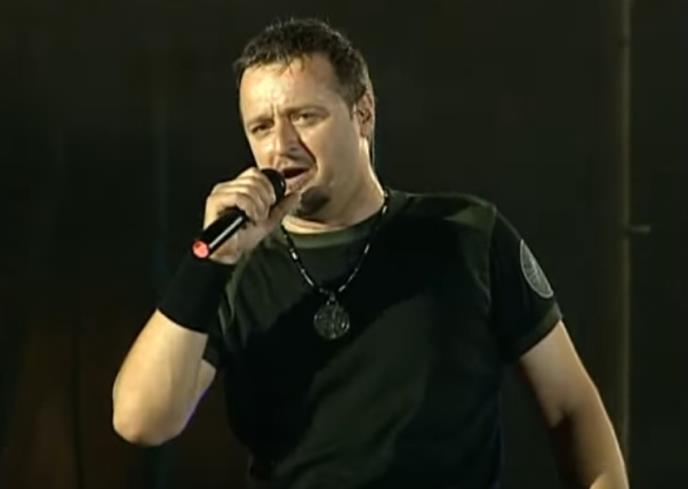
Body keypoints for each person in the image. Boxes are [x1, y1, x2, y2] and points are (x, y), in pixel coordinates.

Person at [112, 17, 628, 489]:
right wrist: (209, 263)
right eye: (261, 127)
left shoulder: (466, 235)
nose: (281, 146)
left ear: (363, 113)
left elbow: (571, 406)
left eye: (304, 117)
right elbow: (140, 421)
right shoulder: (233, 267)